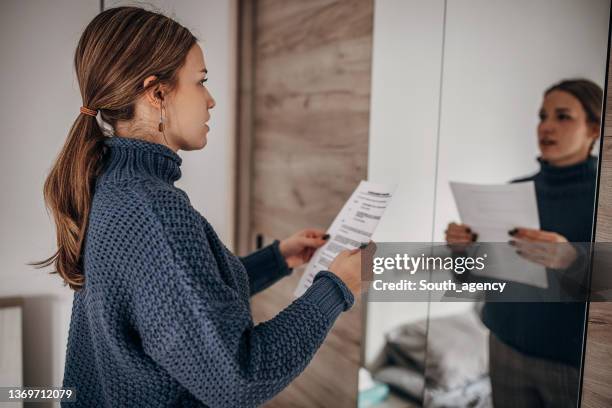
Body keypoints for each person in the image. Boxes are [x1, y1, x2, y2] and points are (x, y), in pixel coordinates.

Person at [31, 7, 363, 407]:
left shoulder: (114, 185)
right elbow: (239, 379)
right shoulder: (151, 212)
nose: (211, 100)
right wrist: (336, 287)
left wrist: (277, 259)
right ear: (156, 93)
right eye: (200, 82)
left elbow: (178, 305)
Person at [445, 79, 602, 407]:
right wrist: (462, 252)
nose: (546, 126)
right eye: (542, 116)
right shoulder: (512, 191)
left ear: (594, 129)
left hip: (571, 361)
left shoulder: (604, 200)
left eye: (562, 117)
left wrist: (573, 259)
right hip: (505, 345)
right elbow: (476, 279)